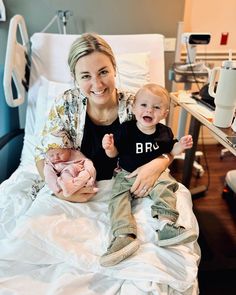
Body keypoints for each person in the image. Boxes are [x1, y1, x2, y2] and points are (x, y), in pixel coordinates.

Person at [35, 33, 173, 204]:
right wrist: (61, 193)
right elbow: (42, 154)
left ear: (114, 68)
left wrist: (158, 164)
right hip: (80, 191)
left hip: (127, 190)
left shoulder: (136, 106)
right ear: (75, 77)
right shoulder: (66, 104)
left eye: (103, 72)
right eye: (86, 76)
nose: (98, 84)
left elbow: (165, 144)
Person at [99, 83, 197, 267]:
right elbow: (114, 154)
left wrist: (181, 145)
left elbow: (171, 150)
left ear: (164, 114)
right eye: (143, 105)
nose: (149, 110)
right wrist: (109, 147)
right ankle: (124, 235)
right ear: (134, 107)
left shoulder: (164, 132)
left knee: (166, 186)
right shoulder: (126, 129)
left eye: (156, 107)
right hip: (127, 174)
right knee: (117, 198)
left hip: (156, 174)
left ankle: (166, 226)